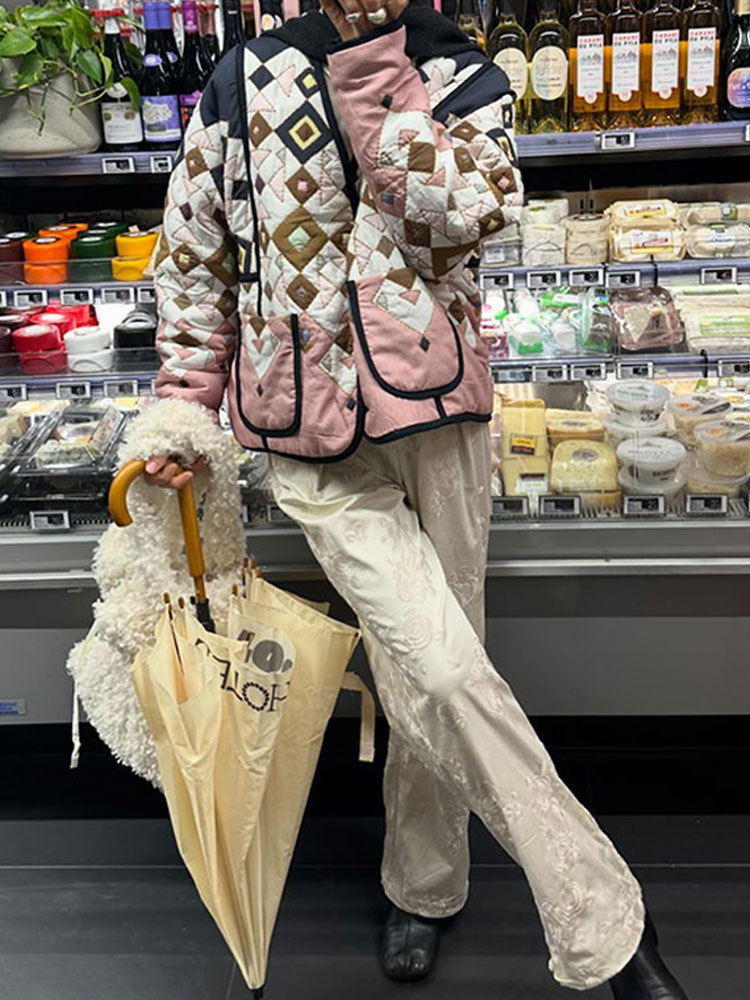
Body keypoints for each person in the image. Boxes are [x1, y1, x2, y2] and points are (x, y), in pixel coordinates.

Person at [144, 0, 689, 995]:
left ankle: (424, 884)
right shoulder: (240, 77)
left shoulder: (459, 71)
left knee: (442, 666)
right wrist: (182, 409)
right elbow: (192, 261)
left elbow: (464, 221)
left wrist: (375, 77)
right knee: (436, 663)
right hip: (308, 436)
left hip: (439, 420)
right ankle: (610, 921)